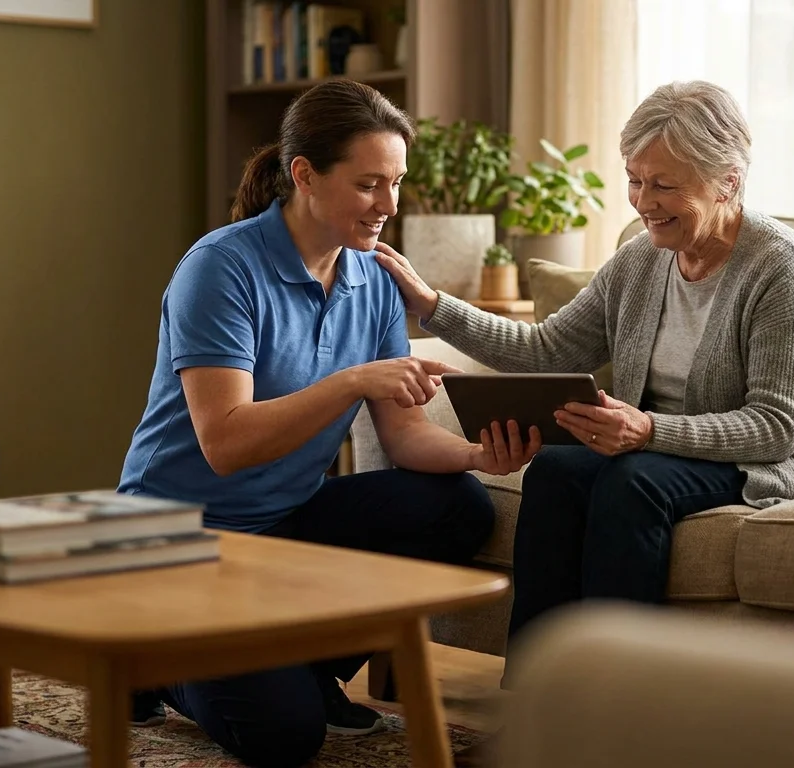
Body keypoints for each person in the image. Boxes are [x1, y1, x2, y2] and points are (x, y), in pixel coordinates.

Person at [375, 77, 794, 709]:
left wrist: (648, 431)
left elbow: (775, 426)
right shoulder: (641, 260)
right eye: (634, 180)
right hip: (660, 448)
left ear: (728, 182)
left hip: (783, 456)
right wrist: (436, 307)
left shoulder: (783, 269)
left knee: (629, 481)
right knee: (555, 469)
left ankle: (617, 707)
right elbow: (547, 349)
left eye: (664, 185)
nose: (643, 201)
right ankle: (541, 701)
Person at [116, 80, 540, 768]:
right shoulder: (221, 268)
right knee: (284, 738)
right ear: (304, 175)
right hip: (177, 541)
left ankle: (306, 670)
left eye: (396, 183)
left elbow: (403, 438)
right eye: (370, 183)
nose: (389, 205)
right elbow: (225, 443)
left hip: (284, 531)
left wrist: (476, 456)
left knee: (455, 507)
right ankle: (153, 659)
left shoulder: (372, 280)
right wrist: (350, 380)